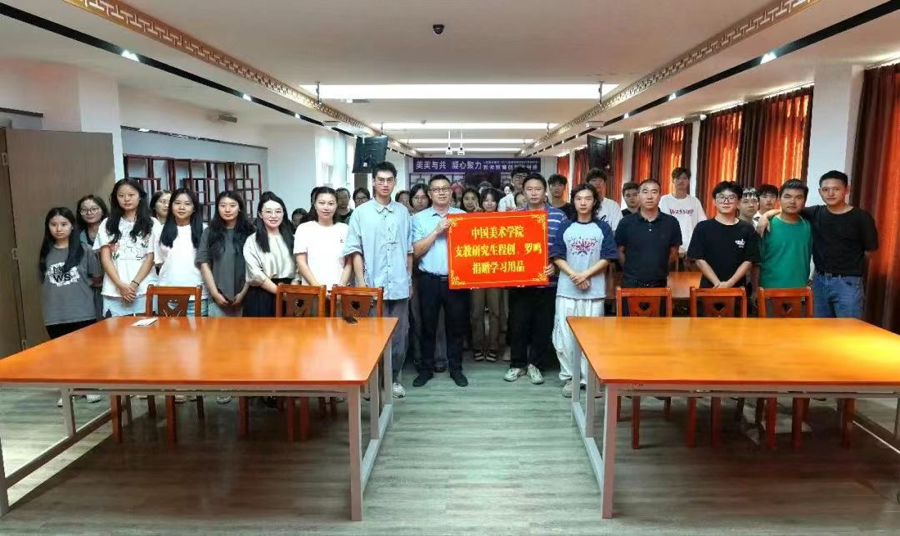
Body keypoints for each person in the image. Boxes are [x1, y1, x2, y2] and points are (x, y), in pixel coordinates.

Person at [758, 171, 878, 318]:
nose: (831, 193)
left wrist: (851, 268)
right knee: (818, 328)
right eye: (826, 189)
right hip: (819, 282)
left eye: (836, 189)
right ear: (820, 192)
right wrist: (765, 216)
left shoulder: (861, 218)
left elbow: (871, 252)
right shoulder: (815, 213)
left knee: (848, 328)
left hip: (847, 283)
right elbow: (789, 210)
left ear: (846, 190)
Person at [343, 161, 413, 399]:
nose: (385, 184)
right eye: (380, 180)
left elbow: (409, 250)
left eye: (389, 180)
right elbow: (355, 250)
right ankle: (371, 382)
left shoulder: (403, 212)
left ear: (395, 183)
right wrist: (361, 283)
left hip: (399, 285)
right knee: (371, 337)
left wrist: (409, 279)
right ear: (373, 182)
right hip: (372, 286)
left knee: (400, 335)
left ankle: (392, 380)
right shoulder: (361, 213)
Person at [550, 184, 618, 397]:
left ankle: (591, 379)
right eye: (579, 198)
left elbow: (608, 256)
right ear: (573, 201)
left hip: (594, 292)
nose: (583, 202)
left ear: (594, 202)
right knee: (565, 335)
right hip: (567, 290)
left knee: (593, 337)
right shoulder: (565, 226)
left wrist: (586, 275)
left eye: (587, 198)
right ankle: (571, 377)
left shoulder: (603, 228)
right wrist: (575, 276)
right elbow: (557, 255)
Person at [504, 173, 567, 385]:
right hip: (520, 283)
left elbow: (563, 247)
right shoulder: (514, 216)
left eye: (538, 189)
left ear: (545, 191)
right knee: (518, 325)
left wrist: (555, 266)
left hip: (548, 283)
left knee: (543, 326)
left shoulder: (559, 216)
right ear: (523, 192)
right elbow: (507, 247)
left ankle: (535, 365)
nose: (533, 193)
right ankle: (517, 364)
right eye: (529, 189)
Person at [39, 207, 104, 406]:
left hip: (82, 311)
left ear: (72, 226)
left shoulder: (84, 250)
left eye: (63, 224)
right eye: (53, 224)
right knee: (63, 355)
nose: (58, 228)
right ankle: (69, 389)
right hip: (55, 313)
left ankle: (89, 387)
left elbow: (97, 278)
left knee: (85, 353)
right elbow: (44, 280)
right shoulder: (46, 253)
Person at [411, 175, 468, 388]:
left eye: (445, 188)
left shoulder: (463, 217)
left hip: (456, 280)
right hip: (429, 280)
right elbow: (416, 251)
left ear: (451, 192)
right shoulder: (419, 219)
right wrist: (436, 231)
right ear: (429, 194)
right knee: (427, 327)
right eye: (436, 189)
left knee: (456, 327)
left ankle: (456, 369)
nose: (441, 192)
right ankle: (426, 369)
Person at [94, 178, 156, 317]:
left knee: (148, 329)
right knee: (116, 330)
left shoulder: (152, 223)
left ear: (140, 196)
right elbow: (105, 259)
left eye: (131, 195)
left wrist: (133, 285)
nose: (126, 199)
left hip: (145, 288)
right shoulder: (107, 223)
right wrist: (120, 285)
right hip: (114, 289)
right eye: (121, 195)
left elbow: (150, 257)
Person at [687, 182, 759, 296]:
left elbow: (749, 261)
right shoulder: (702, 227)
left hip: (738, 290)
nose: (726, 201)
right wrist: (717, 283)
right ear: (714, 202)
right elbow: (698, 259)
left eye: (731, 197)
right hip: (709, 289)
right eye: (721, 197)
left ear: (738, 202)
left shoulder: (747, 229)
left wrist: (730, 283)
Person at [615, 179, 682, 291]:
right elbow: (619, 251)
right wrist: (631, 271)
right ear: (639, 196)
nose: (649, 196)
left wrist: (658, 270)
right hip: (631, 283)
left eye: (654, 192)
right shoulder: (625, 222)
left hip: (659, 283)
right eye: (645, 192)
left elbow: (674, 252)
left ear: (660, 196)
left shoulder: (671, 222)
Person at [198, 191, 254, 318]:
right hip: (217, 297)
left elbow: (254, 267)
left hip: (247, 296)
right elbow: (204, 264)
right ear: (217, 208)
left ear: (240, 208)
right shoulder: (209, 232)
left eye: (232, 205)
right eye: (223, 205)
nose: (227, 210)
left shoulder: (251, 232)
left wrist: (243, 293)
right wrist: (214, 293)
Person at [153, 188, 208, 316]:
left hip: (198, 295)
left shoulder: (204, 230)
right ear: (171, 206)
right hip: (168, 294)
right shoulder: (160, 231)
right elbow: (159, 262)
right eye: (177, 203)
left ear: (194, 208)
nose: (181, 207)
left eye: (187, 204)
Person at [242, 192, 295, 317]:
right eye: (268, 212)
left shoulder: (293, 238)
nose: (274, 216)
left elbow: (299, 268)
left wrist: (292, 290)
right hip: (262, 295)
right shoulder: (252, 240)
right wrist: (280, 292)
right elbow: (255, 273)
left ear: (283, 213)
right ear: (260, 214)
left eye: (278, 211)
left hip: (290, 294)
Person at [756, 179, 812, 291]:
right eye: (787, 197)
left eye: (798, 197)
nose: (792, 201)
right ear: (779, 199)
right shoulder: (766, 226)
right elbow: (756, 263)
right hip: (768, 291)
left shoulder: (809, 226)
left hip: (800, 291)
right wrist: (754, 290)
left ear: (804, 201)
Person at [294, 186, 351, 291]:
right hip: (312, 291)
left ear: (336, 205)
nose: (326, 207)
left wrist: (340, 287)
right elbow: (301, 263)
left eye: (331, 203)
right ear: (315, 205)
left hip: (339, 292)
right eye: (321, 203)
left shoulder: (345, 229)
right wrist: (319, 289)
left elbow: (349, 262)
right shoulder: (304, 229)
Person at [470, 188, 503, 363]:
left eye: (493, 200)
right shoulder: (473, 219)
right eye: (486, 200)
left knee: (495, 312)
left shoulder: (504, 220)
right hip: (476, 271)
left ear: (497, 202)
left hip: (496, 272)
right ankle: (477, 346)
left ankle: (493, 347)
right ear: (481, 202)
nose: (489, 203)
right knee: (476, 312)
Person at [658, 167, 706, 255]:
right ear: (673, 180)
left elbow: (702, 224)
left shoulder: (694, 201)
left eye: (684, 178)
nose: (681, 181)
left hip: (691, 247)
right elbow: (660, 225)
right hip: (669, 247)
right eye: (678, 178)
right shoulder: (664, 200)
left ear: (688, 181)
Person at [75, 194, 108, 318]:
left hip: (113, 285)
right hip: (88, 289)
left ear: (102, 210)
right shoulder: (76, 237)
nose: (89, 213)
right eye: (84, 210)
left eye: (94, 209)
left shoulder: (113, 231)